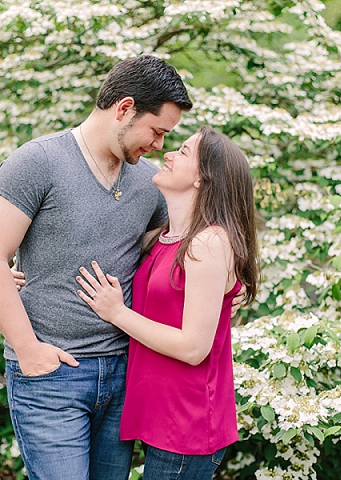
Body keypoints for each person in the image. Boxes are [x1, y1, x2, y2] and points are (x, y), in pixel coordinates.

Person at [0, 55, 194, 480]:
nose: (160, 145)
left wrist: (226, 287)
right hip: (52, 374)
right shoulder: (37, 162)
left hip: (124, 373)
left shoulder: (149, 183)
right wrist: (29, 351)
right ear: (124, 109)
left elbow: (179, 249)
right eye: (157, 131)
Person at [75, 126, 259, 480]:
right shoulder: (166, 238)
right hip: (159, 414)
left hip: (186, 425)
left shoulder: (209, 244)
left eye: (185, 152)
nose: (169, 155)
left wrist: (117, 313)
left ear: (203, 180)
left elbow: (193, 348)